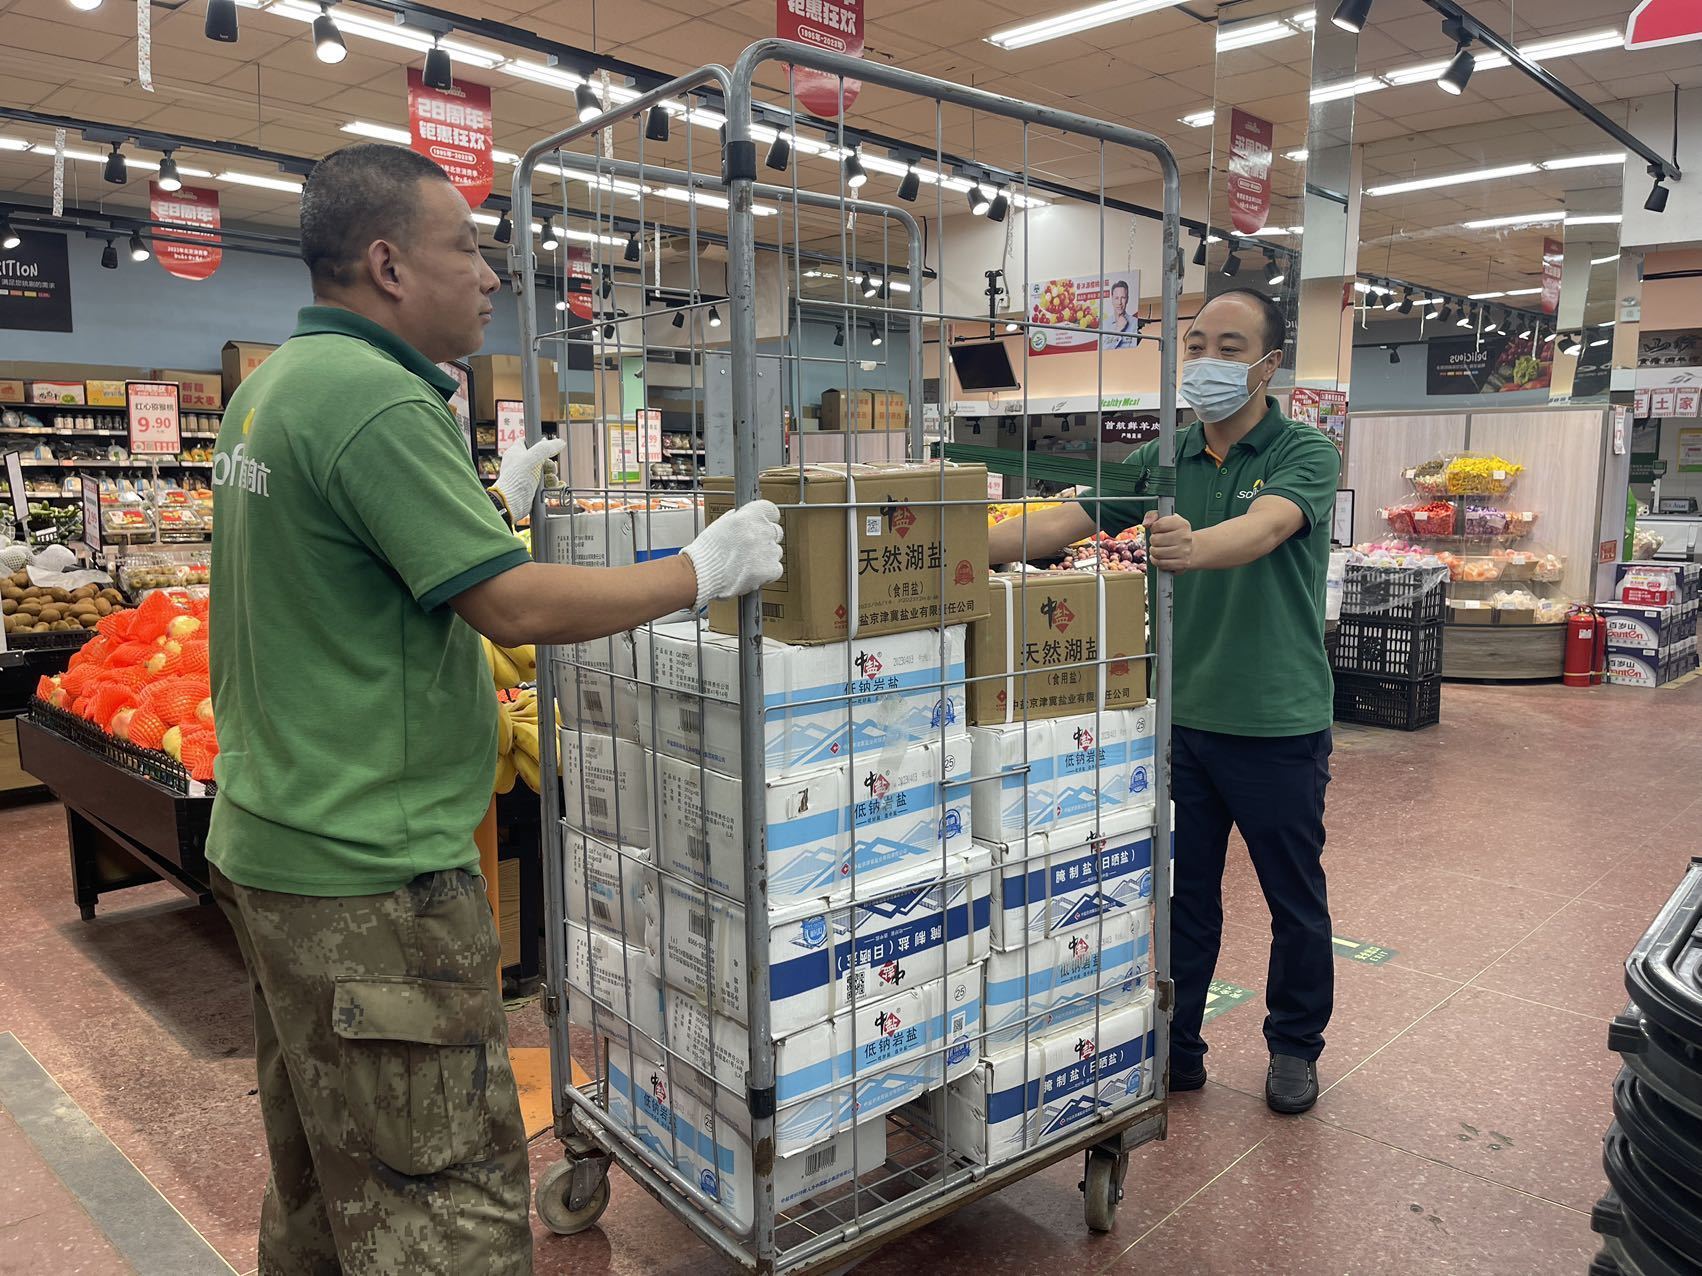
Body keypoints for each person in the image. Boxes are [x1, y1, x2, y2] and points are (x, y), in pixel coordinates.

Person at [206, 143, 783, 1274]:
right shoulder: (376, 397)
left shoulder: (273, 386)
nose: (488, 275)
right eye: (466, 248)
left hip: (276, 843)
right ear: (387, 264)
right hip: (370, 872)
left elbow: (353, 587)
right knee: (445, 1201)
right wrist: (695, 571)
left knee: (329, 1178)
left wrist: (484, 506)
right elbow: (512, 608)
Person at [988, 288, 1340, 1115]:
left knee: (1293, 899)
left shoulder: (1305, 450)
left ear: (1267, 365)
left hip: (1275, 720)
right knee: (1183, 896)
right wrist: (953, 546)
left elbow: (1265, 528)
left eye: (1229, 347)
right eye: (1196, 343)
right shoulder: (1164, 456)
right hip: (1178, 718)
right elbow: (1064, 521)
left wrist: (1191, 544)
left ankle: (1295, 1046)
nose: (1207, 360)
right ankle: (1177, 1046)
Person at [1102, 278, 1139, 349]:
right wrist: (1118, 330)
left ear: (1127, 299)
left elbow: (1133, 350)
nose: (1119, 302)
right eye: (1116, 298)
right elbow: (1102, 350)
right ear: (1112, 299)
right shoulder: (1104, 324)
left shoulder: (1135, 323)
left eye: (1123, 298)